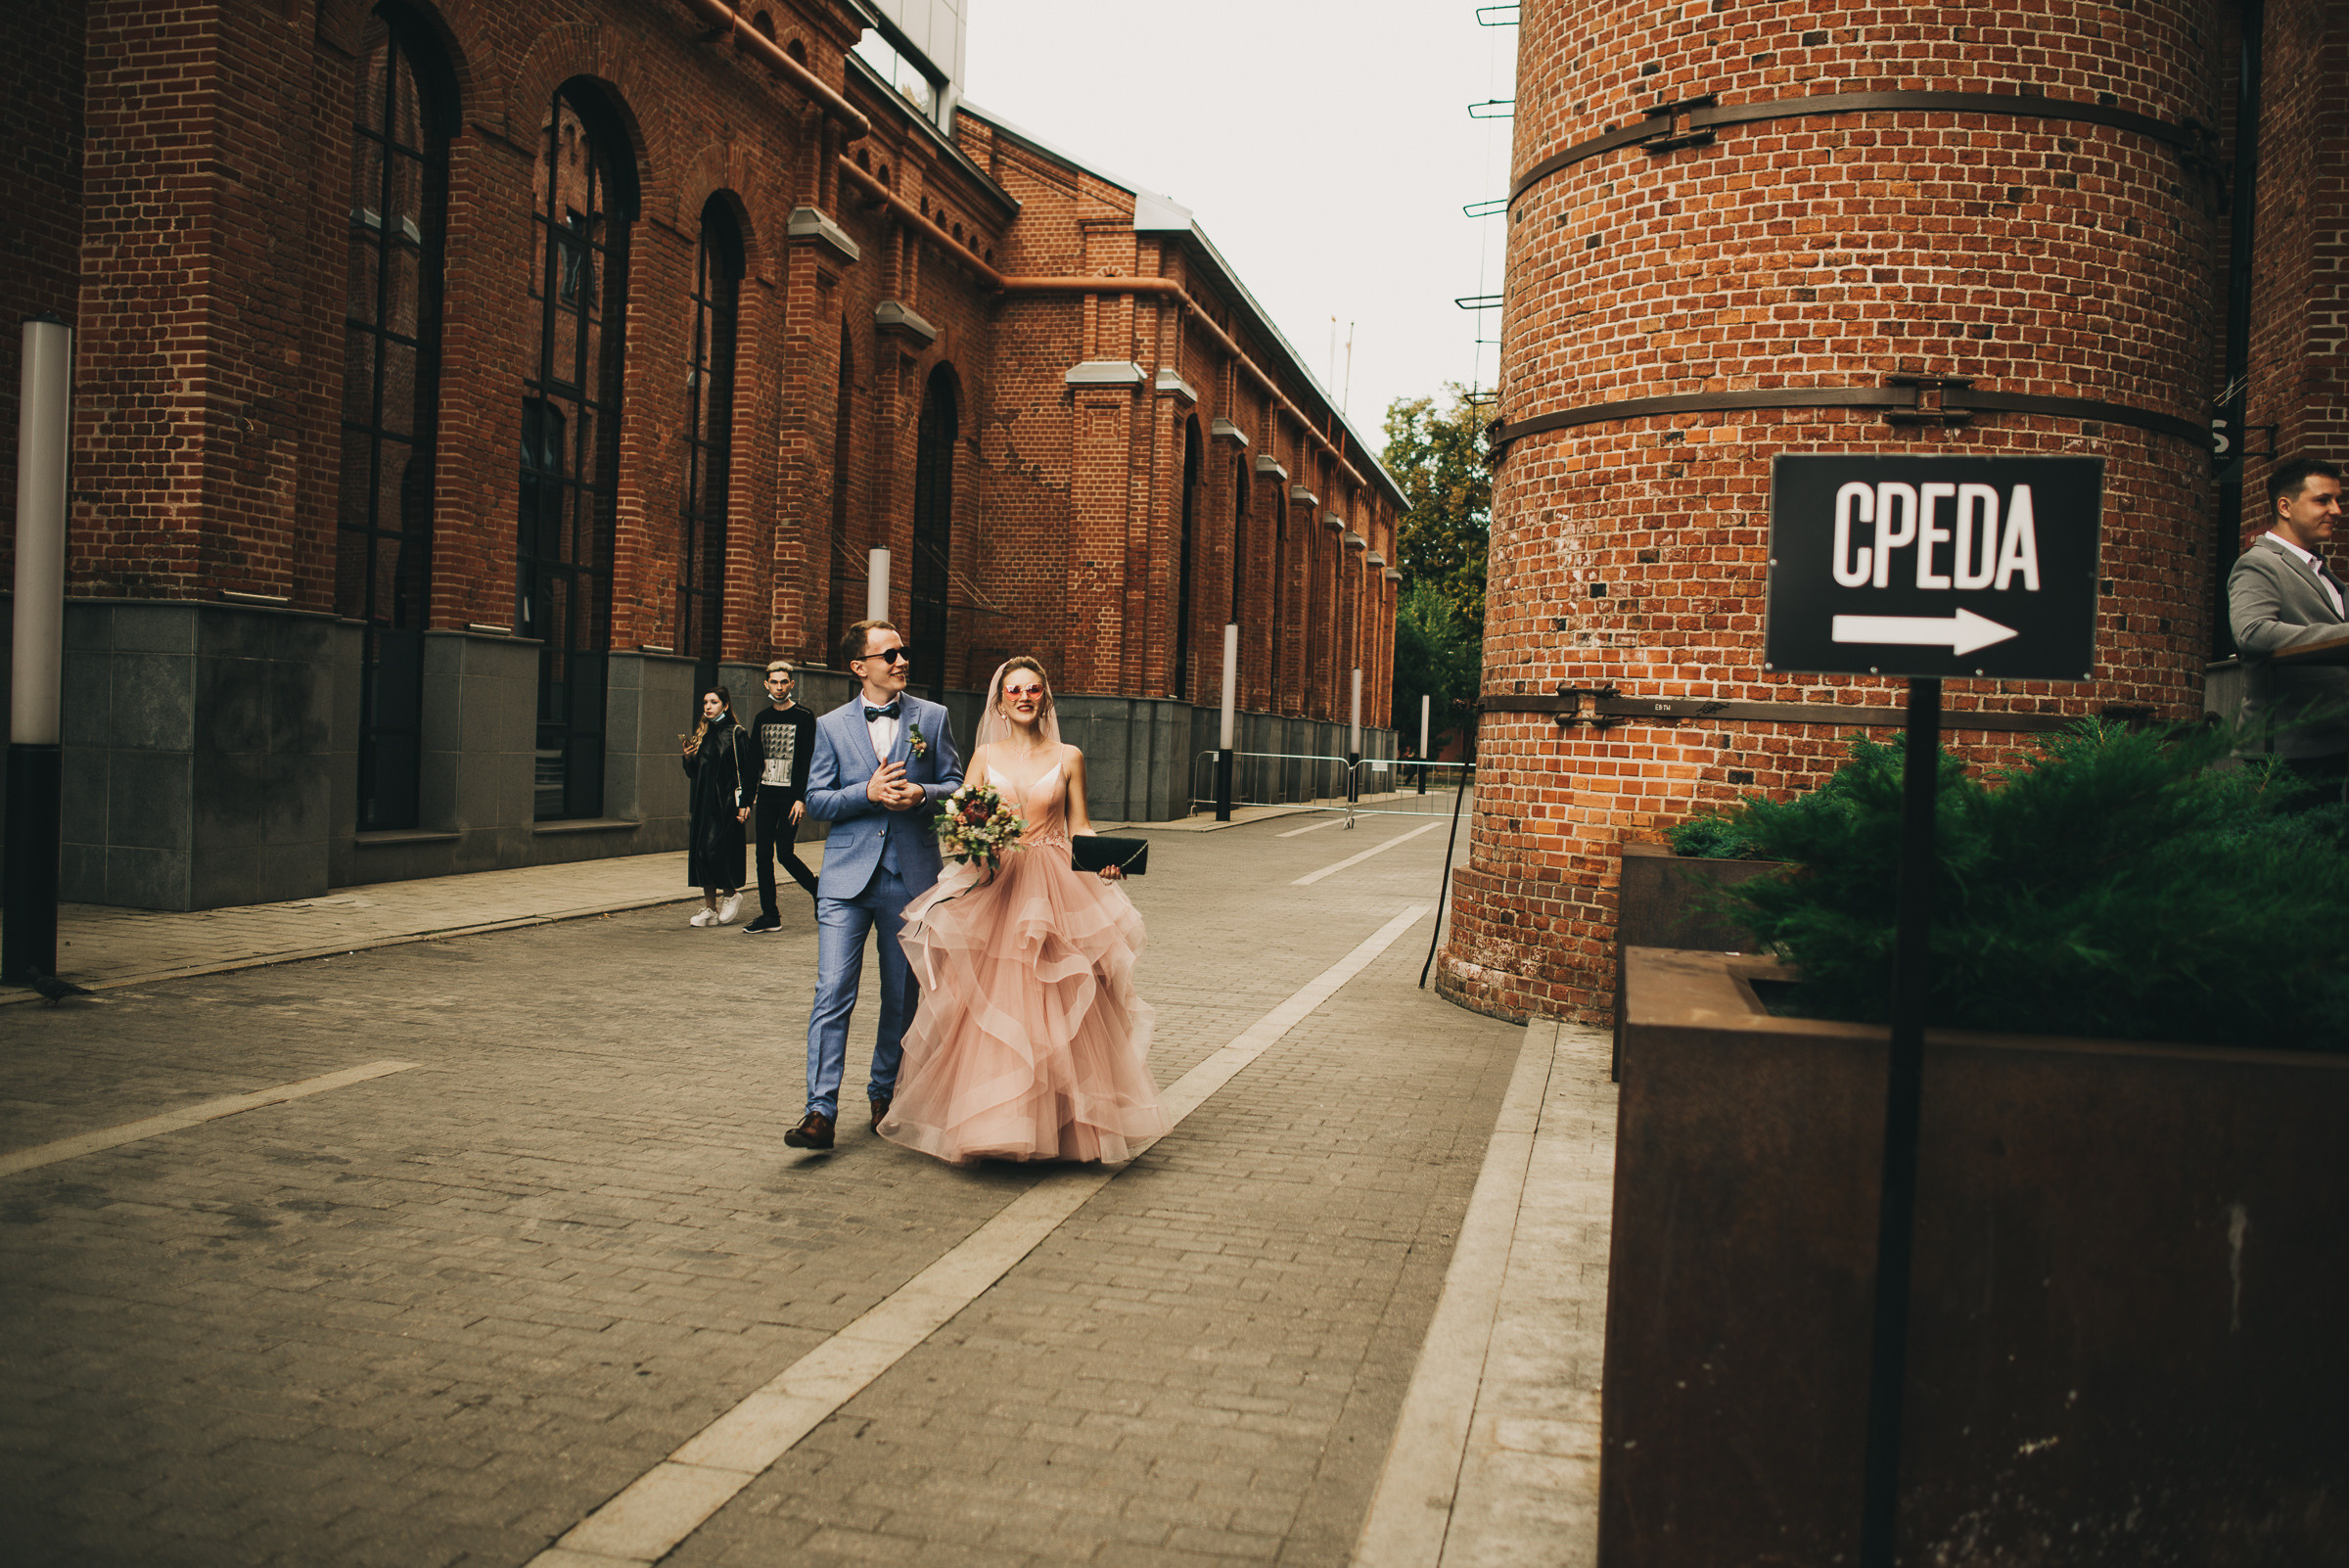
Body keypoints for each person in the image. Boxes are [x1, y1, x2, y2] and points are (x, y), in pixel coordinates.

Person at [879, 657, 1169, 1166]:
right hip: (999, 881)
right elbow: (963, 817)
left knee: (1059, 1001)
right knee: (995, 1001)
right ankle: (995, 1123)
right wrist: (972, 843)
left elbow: (1080, 825)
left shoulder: (1070, 755)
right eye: (1014, 690)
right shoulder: (984, 755)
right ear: (1000, 701)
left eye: (1033, 689)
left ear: (1045, 698)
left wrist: (1104, 863)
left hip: (1056, 884)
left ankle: (1064, 1124)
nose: (1024, 697)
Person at [787, 621, 964, 1151]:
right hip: (845, 880)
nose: (901, 660)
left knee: (900, 994)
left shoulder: (932, 718)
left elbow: (956, 785)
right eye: (889, 654)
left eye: (903, 651)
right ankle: (820, 1111)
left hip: (909, 878)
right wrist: (865, 792)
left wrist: (923, 796)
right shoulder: (830, 725)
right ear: (859, 667)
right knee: (832, 991)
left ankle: (884, 1092)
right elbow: (816, 801)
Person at [2230, 456, 2349, 800]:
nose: (2337, 510)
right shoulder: (2257, 564)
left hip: (2328, 743)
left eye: (2338, 500)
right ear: (2285, 506)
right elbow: (2252, 633)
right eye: (2322, 500)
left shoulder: (2321, 570)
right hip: (2283, 749)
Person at [742, 659, 819, 935]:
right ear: (766, 684)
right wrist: (746, 800)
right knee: (763, 855)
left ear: (792, 684)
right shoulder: (762, 718)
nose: (778, 687)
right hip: (766, 796)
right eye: (773, 682)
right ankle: (770, 915)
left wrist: (801, 798)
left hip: (790, 798)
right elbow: (753, 763)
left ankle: (817, 889)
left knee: (785, 853)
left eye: (783, 682)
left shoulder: (804, 716)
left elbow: (807, 760)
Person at [681, 687, 754, 926]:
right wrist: (688, 757)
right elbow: (694, 774)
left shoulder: (736, 733)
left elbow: (747, 771)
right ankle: (709, 908)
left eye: (713, 702)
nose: (708, 707)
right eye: (705, 702)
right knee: (702, 854)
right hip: (703, 803)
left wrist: (745, 804)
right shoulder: (703, 734)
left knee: (717, 851)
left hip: (725, 804)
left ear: (726, 705)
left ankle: (731, 894)